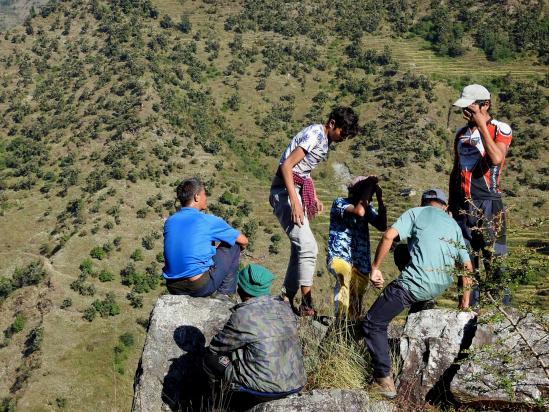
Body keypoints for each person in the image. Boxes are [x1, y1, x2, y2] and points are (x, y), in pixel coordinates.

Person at [362, 189, 473, 399]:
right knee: (404, 251)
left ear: (424, 203)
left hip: (415, 284)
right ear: (445, 208)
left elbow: (388, 236)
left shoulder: (416, 213)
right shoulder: (453, 225)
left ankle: (383, 380)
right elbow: (466, 267)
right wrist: (464, 304)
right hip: (440, 285)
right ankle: (423, 303)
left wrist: (375, 267)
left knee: (372, 323)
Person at [269, 107, 359, 316]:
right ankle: (306, 302)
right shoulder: (315, 135)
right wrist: (295, 201)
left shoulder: (324, 140)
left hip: (295, 189)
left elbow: (304, 170)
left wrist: (314, 196)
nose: (343, 138)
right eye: (342, 133)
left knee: (299, 247)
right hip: (284, 190)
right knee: (309, 247)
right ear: (332, 123)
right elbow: (286, 166)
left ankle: (286, 296)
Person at [204, 264, 306, 410]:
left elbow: (216, 347)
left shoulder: (243, 315)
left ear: (241, 288)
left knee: (210, 360)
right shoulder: (285, 307)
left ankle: (221, 404)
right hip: (296, 382)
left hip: (264, 390)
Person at [449, 84, 512, 306]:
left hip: (489, 204)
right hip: (462, 206)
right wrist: (450, 205)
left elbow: (496, 158)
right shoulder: (460, 134)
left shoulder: (500, 129)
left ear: (485, 105)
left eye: (470, 108)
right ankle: (468, 313)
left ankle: (501, 317)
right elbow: (456, 170)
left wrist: (481, 125)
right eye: (464, 109)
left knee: (494, 263)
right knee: (465, 264)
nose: (465, 112)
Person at [162, 178, 248, 297]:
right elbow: (243, 241)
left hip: (173, 286)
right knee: (234, 244)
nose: (206, 197)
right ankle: (225, 297)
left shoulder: (170, 221)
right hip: (198, 286)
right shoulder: (208, 220)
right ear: (197, 196)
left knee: (209, 243)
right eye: (204, 194)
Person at [327, 175, 387, 321]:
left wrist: (379, 199)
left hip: (360, 262)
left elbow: (382, 225)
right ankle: (341, 321)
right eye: (368, 192)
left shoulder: (367, 208)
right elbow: (358, 211)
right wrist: (369, 185)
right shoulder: (340, 203)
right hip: (340, 256)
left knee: (356, 299)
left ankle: (350, 328)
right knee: (344, 282)